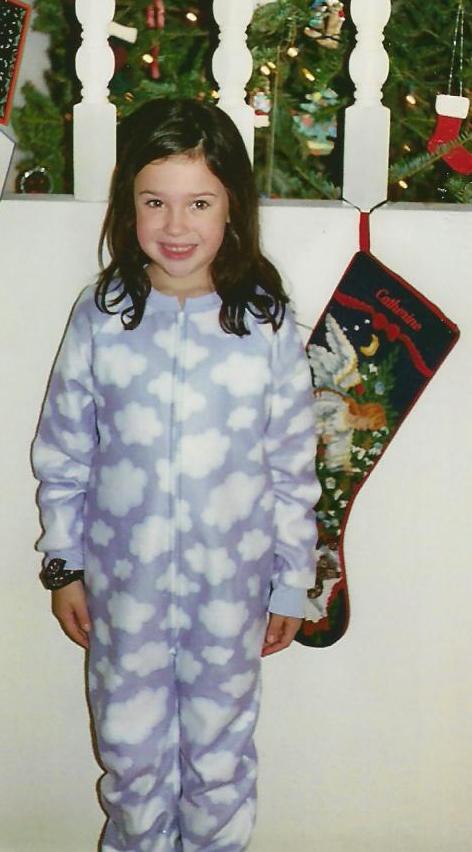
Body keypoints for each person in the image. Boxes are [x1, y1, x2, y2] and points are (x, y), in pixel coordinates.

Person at [32, 98, 320, 852]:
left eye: (199, 203)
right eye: (154, 201)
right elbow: (65, 452)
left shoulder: (264, 322)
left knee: (219, 765)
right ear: (129, 204)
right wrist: (65, 566)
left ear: (233, 209)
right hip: (122, 600)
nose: (175, 225)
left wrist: (294, 580)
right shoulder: (104, 313)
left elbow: (293, 464)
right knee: (129, 760)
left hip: (231, 595)